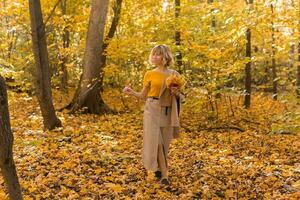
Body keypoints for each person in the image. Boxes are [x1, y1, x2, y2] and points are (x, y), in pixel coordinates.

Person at [123, 44, 184, 185]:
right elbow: (144, 95)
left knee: (164, 142)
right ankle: (165, 175)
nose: (155, 57)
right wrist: (132, 92)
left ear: (165, 56)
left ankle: (157, 168)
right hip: (151, 108)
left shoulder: (174, 74)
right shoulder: (149, 74)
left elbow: (182, 96)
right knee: (156, 142)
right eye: (153, 54)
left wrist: (176, 93)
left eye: (158, 54)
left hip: (167, 110)